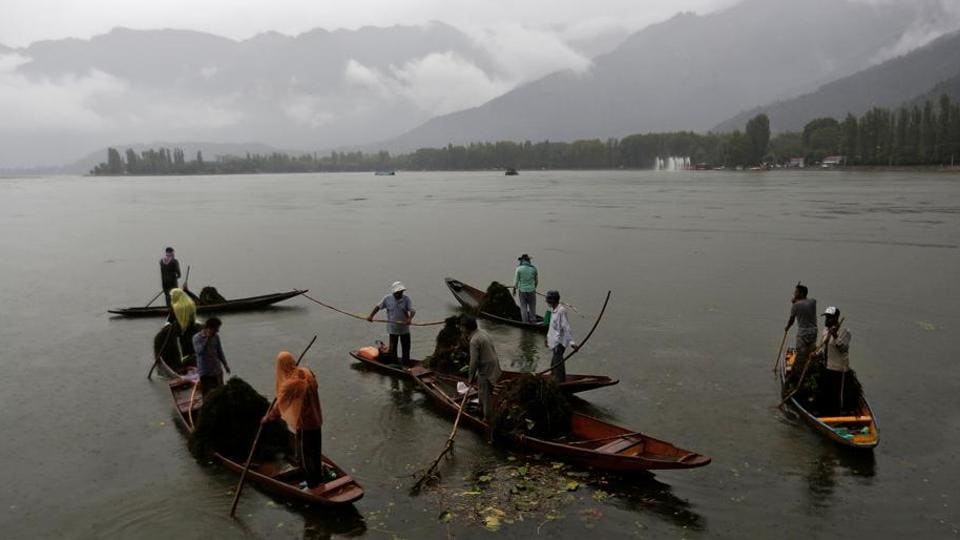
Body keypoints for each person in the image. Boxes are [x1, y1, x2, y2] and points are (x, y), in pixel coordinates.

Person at [262, 351, 324, 491]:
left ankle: (312, 484)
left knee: (306, 454)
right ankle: (317, 479)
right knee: (315, 452)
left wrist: (267, 418)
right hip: (317, 419)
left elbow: (279, 407)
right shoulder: (307, 372)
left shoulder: (290, 384)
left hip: (306, 423)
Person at [462, 315, 502, 421]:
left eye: (462, 327)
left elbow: (473, 361)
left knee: (486, 394)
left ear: (466, 328)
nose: (462, 329)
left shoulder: (474, 340)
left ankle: (486, 418)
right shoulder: (482, 332)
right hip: (494, 365)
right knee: (482, 390)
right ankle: (481, 409)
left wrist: (470, 378)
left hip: (487, 369)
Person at [367, 281, 416, 365]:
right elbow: (378, 307)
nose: (400, 294)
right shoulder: (387, 298)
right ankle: (394, 363)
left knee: (406, 347)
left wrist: (409, 319)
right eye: (398, 292)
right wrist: (371, 316)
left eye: (401, 292)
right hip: (393, 328)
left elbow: (412, 310)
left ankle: (406, 363)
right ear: (394, 292)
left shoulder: (406, 299)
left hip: (404, 328)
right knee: (393, 348)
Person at [817, 306, 852, 414]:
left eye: (830, 318)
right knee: (825, 392)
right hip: (827, 366)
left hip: (839, 369)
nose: (827, 320)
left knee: (837, 395)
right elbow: (822, 346)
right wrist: (816, 353)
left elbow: (843, 348)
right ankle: (824, 412)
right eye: (826, 317)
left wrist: (835, 335)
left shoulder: (845, 331)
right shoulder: (825, 330)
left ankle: (838, 414)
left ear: (836, 318)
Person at [545, 290, 577, 383]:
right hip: (554, 343)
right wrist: (547, 338)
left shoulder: (561, 311)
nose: (547, 302)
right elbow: (552, 327)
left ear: (552, 301)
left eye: (548, 300)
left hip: (559, 343)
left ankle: (560, 383)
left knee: (558, 365)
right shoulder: (553, 310)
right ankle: (554, 380)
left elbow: (566, 328)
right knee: (553, 365)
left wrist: (572, 343)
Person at [193, 317, 230, 396]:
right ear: (209, 328)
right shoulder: (197, 338)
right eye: (216, 329)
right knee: (208, 394)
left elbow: (220, 352)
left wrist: (225, 365)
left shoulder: (216, 337)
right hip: (205, 372)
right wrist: (207, 339)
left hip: (217, 370)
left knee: (221, 393)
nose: (217, 331)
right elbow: (199, 351)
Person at [785, 283, 817, 369]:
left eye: (796, 292)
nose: (794, 294)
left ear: (801, 293)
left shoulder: (796, 305)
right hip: (813, 332)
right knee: (810, 351)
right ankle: (809, 368)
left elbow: (791, 320)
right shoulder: (813, 302)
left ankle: (797, 371)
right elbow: (807, 302)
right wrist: (796, 300)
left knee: (800, 353)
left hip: (803, 333)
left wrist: (787, 327)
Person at [169, 288, 198, 358]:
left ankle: (186, 361)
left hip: (182, 331)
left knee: (185, 348)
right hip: (192, 329)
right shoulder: (191, 303)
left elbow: (171, 320)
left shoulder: (175, 307)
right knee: (193, 347)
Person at [514, 254, 539, 323]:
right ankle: (533, 321)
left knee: (523, 307)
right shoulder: (534, 269)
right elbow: (536, 281)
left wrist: (514, 289)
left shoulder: (518, 269)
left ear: (522, 260)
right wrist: (534, 288)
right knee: (532, 307)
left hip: (522, 291)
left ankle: (525, 322)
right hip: (532, 291)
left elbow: (516, 282)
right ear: (528, 261)